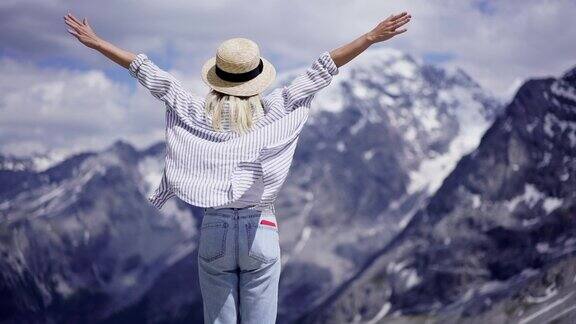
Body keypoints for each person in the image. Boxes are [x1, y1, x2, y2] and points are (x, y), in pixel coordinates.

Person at [64, 10, 411, 323]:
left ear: (217, 77)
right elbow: (325, 66)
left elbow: (147, 71)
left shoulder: (195, 112)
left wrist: (98, 43)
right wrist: (370, 37)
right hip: (261, 227)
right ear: (256, 79)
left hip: (215, 228)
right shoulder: (277, 108)